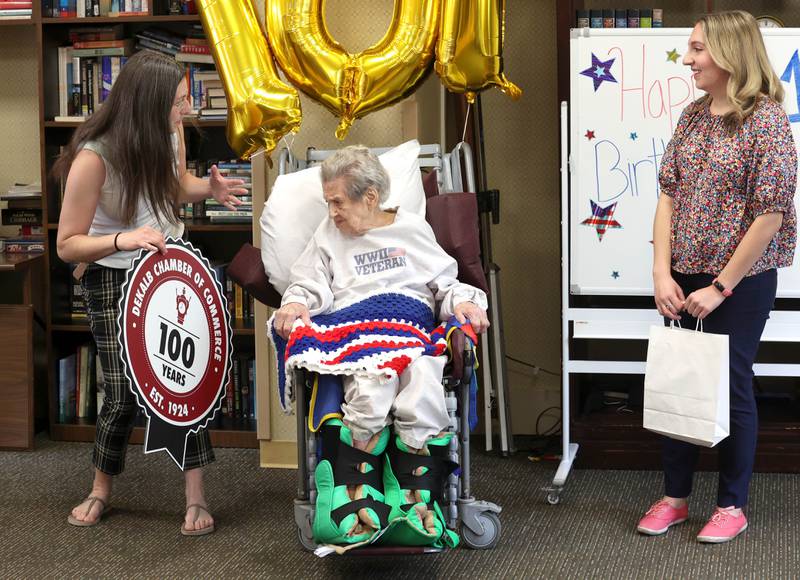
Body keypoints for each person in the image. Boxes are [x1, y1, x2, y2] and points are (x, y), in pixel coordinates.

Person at [55, 50, 246, 535]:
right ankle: (100, 488)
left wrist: (208, 189)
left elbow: (173, 185)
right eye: (178, 102)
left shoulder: (169, 131)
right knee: (121, 394)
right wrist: (125, 238)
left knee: (186, 381)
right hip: (113, 269)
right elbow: (67, 245)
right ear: (146, 106)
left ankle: (196, 497)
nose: (186, 110)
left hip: (168, 265)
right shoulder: (94, 158)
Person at [272, 145, 489, 546]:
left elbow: (445, 284)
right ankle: (357, 491)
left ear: (369, 197)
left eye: (338, 202)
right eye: (328, 202)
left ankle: (414, 498)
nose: (332, 212)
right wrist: (297, 302)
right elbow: (307, 282)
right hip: (359, 329)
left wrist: (464, 303)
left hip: (412, 326)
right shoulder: (328, 234)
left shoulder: (411, 229)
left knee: (424, 375)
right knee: (373, 383)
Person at [638, 10, 797, 543]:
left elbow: (769, 214)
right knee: (677, 380)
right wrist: (662, 272)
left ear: (730, 53)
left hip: (740, 283)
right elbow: (667, 194)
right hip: (683, 274)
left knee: (731, 386)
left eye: (698, 48)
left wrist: (721, 286)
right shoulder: (692, 116)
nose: (688, 59)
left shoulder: (767, 121)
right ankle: (675, 498)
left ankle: (732, 504)